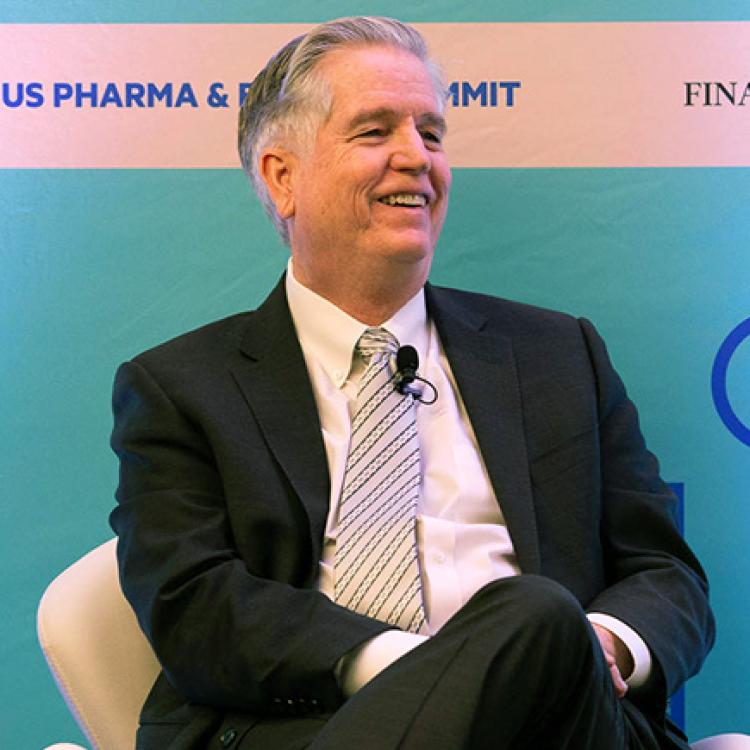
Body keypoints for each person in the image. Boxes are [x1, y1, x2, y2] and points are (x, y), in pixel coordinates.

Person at [110, 16, 714, 750]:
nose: (416, 158)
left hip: (567, 716)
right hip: (313, 724)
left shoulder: (560, 356)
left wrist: (604, 645)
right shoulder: (181, 388)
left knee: (539, 620)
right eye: (374, 132)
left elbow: (666, 575)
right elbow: (195, 607)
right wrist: (440, 668)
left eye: (431, 133)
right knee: (528, 618)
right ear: (282, 177)